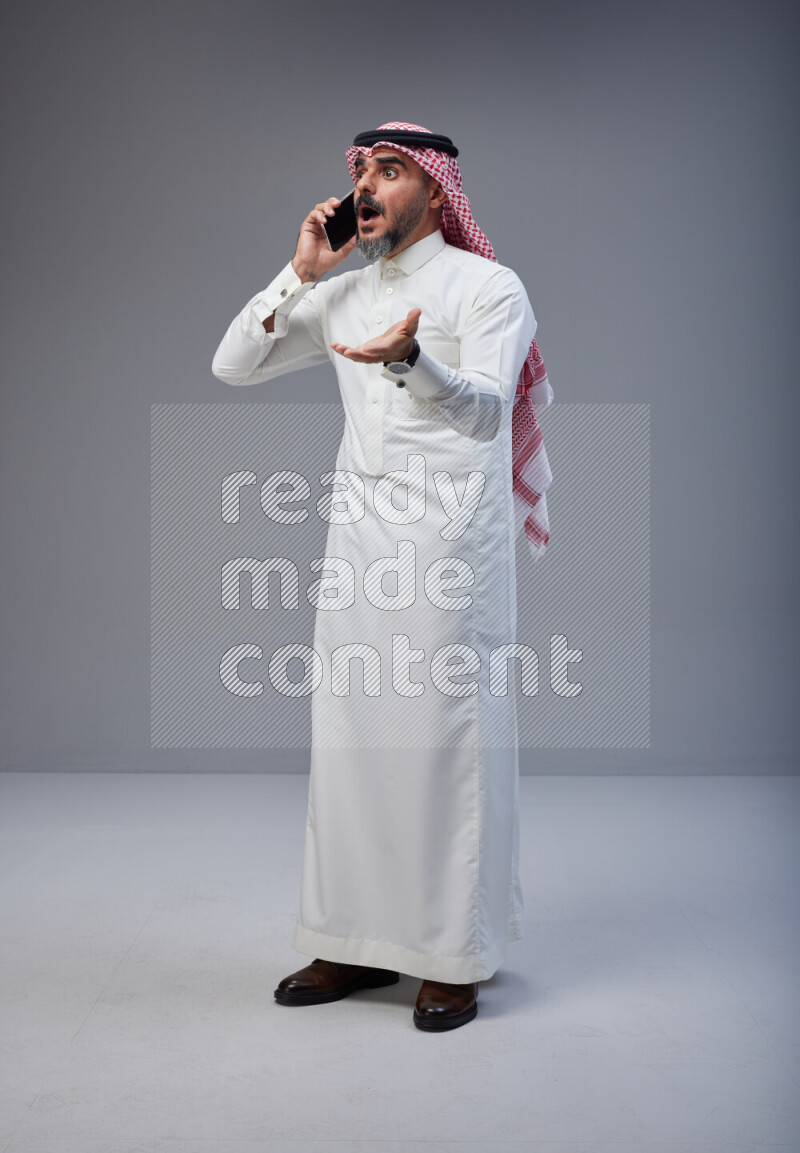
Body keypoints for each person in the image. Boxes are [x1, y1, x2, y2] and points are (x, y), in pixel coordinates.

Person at [212, 122, 553, 1031]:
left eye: (390, 171)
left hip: (448, 551)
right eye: (360, 169)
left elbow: (486, 412)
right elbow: (233, 364)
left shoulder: (490, 286)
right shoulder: (346, 292)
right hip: (359, 546)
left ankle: (455, 954)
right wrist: (303, 276)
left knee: (445, 745)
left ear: (437, 193)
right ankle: (353, 939)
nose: (366, 186)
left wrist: (412, 360)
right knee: (354, 741)